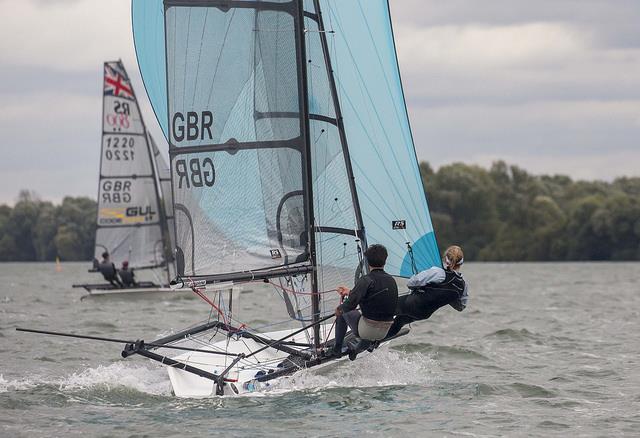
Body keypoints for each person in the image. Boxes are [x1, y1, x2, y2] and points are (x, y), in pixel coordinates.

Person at [329, 244, 398, 359]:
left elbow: (349, 305)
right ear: (385, 261)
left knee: (343, 311)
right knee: (369, 320)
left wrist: (338, 309)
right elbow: (374, 295)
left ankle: (336, 350)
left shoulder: (366, 280)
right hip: (384, 332)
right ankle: (355, 351)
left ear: (367, 261)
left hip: (368, 330)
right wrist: (350, 292)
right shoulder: (391, 280)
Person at [385, 245, 468, 339]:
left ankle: (370, 333)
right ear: (461, 263)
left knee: (383, 309)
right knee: (400, 321)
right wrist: (444, 296)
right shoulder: (463, 284)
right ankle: (375, 342)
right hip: (424, 314)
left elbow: (410, 283)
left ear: (445, 259)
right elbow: (460, 306)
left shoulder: (438, 272)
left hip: (411, 304)